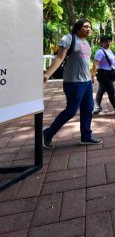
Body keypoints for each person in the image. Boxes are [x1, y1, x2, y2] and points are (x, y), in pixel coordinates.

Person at [43, 19, 103, 148]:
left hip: (86, 82)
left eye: (90, 27)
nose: (88, 29)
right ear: (77, 27)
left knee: (88, 109)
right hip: (73, 82)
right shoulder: (69, 38)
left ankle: (86, 136)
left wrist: (91, 76)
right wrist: (48, 74)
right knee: (71, 111)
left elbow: (85, 62)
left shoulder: (87, 43)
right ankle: (47, 133)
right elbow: (59, 58)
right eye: (86, 26)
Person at [91, 35, 115, 116]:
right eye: (105, 41)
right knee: (111, 91)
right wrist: (92, 76)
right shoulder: (100, 52)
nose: (107, 43)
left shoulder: (109, 51)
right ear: (101, 43)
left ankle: (97, 107)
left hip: (108, 74)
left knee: (101, 90)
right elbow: (95, 65)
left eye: (109, 41)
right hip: (103, 74)